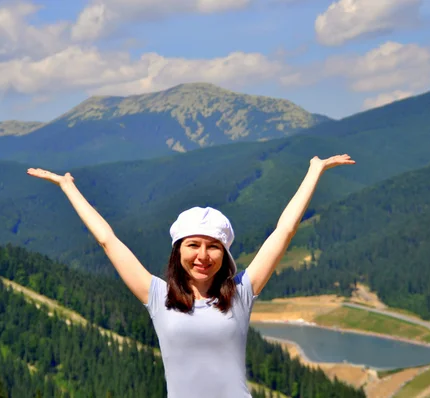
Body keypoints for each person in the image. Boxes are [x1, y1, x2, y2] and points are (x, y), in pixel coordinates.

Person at [26, 154, 355, 398]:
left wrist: (314, 170)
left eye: (213, 247)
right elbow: (107, 240)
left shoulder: (241, 293)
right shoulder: (157, 296)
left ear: (224, 255)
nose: (202, 256)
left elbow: (284, 231)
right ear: (177, 251)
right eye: (193, 245)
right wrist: (67, 187)